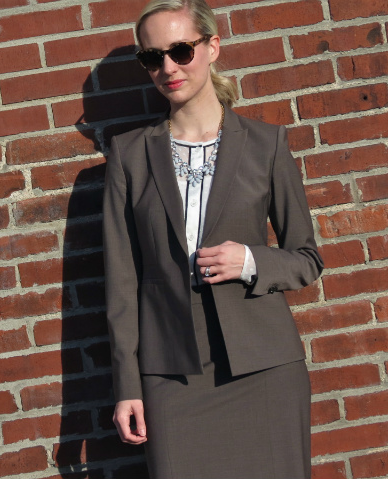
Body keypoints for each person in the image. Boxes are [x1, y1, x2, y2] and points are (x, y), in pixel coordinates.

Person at [102, 0, 324, 477]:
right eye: (152, 57)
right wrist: (127, 384)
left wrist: (250, 261)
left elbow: (306, 258)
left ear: (212, 47)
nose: (167, 67)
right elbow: (122, 283)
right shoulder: (129, 156)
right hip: (172, 373)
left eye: (181, 50)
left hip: (264, 367)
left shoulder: (267, 144)